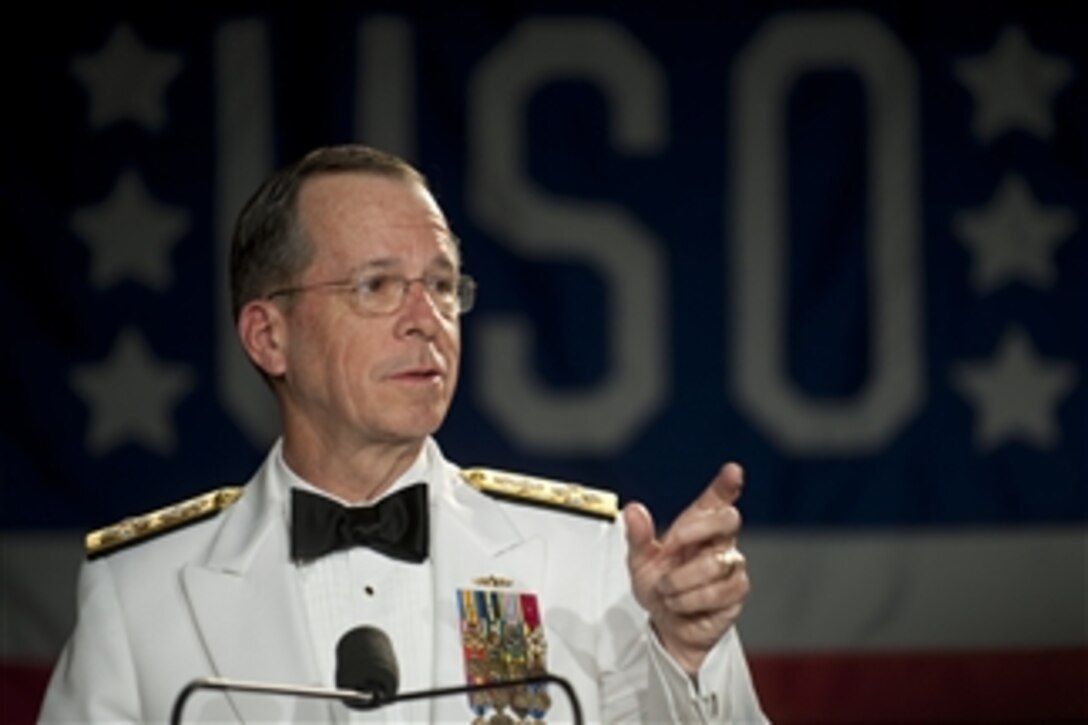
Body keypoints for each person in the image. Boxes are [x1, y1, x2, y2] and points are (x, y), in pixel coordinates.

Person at [39, 145, 767, 723]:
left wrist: (686, 648)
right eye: (376, 285)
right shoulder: (140, 593)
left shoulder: (589, 555)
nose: (427, 317)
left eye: (444, 285)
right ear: (269, 337)